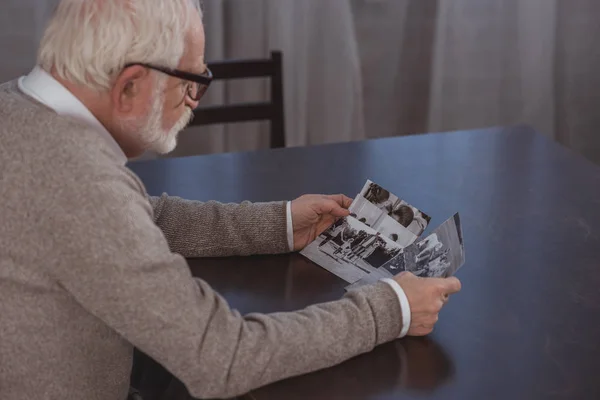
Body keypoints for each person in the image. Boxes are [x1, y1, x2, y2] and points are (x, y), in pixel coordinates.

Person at [0, 1, 462, 399]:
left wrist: (278, 224)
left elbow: (141, 217)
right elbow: (221, 356)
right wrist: (391, 309)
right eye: (189, 82)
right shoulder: (81, 185)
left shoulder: (17, 110)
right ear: (129, 86)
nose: (193, 101)